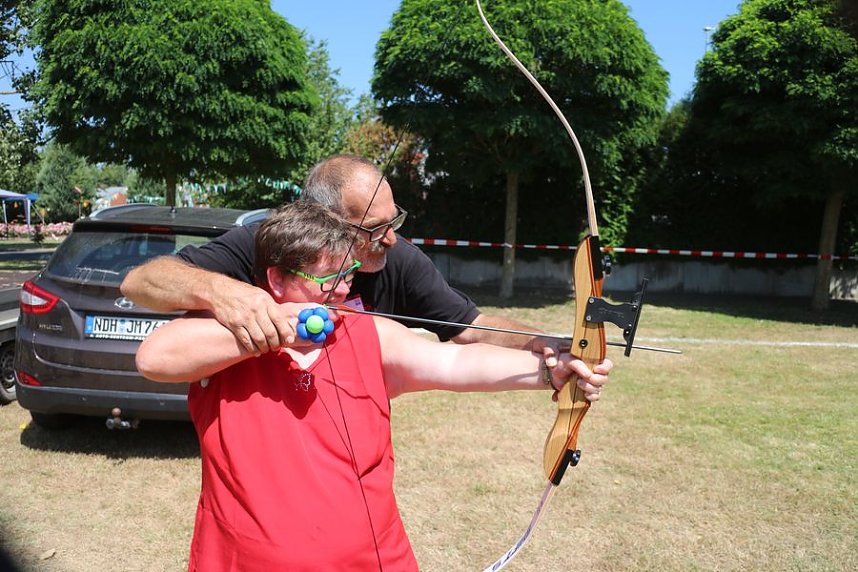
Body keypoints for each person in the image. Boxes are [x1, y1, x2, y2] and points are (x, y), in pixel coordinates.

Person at [136, 202, 611, 571]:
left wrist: (549, 371)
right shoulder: (223, 340)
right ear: (276, 278)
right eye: (327, 279)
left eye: (347, 275)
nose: (343, 290)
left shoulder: (367, 333)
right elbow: (153, 358)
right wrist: (277, 328)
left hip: (375, 560)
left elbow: (454, 361)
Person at [121, 154, 560, 359]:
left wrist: (550, 345)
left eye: (394, 220)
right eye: (373, 228)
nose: (390, 238)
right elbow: (138, 283)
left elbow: (470, 327)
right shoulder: (266, 242)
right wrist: (222, 293)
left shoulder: (398, 259)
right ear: (325, 220)